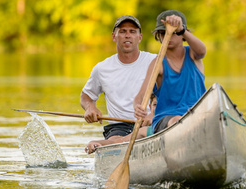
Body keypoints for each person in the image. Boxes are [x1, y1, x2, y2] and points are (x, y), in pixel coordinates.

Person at [82, 15, 156, 153]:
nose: (127, 35)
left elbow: (171, 93)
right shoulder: (101, 68)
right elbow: (85, 97)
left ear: (139, 37)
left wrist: (154, 114)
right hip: (118, 127)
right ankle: (106, 145)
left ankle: (100, 144)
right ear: (114, 37)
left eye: (132, 32)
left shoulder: (155, 62)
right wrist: (90, 107)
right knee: (115, 139)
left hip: (150, 121)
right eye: (122, 31)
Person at [134, 10, 206, 135]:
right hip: (167, 120)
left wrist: (181, 29)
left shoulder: (194, 55)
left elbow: (202, 52)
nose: (168, 35)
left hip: (198, 115)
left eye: (174, 33)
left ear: (184, 34)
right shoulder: (157, 64)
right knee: (178, 121)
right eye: (163, 33)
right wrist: (137, 107)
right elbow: (141, 96)